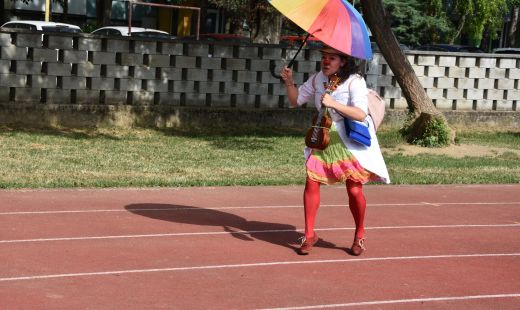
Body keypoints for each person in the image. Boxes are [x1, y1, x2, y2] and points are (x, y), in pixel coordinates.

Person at [280, 45, 390, 256]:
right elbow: (296, 100)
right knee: (311, 183)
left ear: (343, 61)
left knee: (354, 190)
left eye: (332, 58)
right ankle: (309, 234)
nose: (326, 61)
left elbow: (359, 114)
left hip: (348, 143)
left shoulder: (354, 81)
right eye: (324, 57)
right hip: (322, 139)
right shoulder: (317, 78)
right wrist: (288, 81)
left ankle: (359, 234)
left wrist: (333, 103)